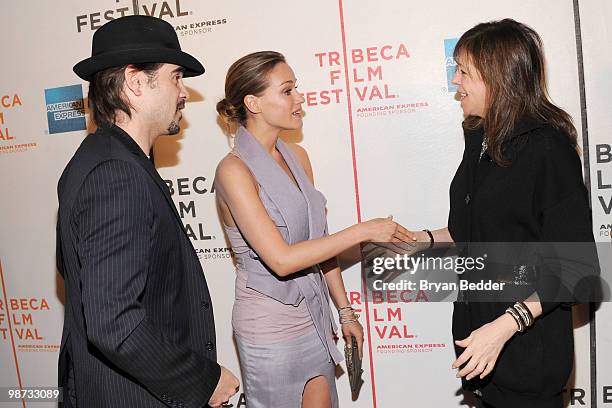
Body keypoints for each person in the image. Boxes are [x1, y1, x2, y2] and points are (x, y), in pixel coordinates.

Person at [412, 19, 598, 407]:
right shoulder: (480, 139)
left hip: (526, 360)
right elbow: (482, 227)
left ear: (497, 77)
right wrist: (423, 239)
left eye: (463, 71)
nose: (455, 82)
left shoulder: (547, 149)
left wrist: (502, 328)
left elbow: (577, 271)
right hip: (480, 359)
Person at [56, 15, 239, 408]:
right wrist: (202, 380)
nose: (183, 92)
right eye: (175, 77)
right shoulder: (115, 174)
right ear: (136, 83)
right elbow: (114, 321)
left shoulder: (102, 160)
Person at [214, 51, 414, 408]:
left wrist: (345, 310)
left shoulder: (298, 156)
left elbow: (319, 244)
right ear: (253, 102)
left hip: (313, 316)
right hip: (269, 327)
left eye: (297, 89)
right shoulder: (233, 171)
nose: (300, 98)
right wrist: (363, 231)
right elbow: (282, 260)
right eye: (287, 91)